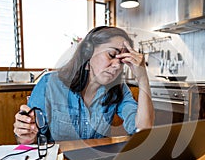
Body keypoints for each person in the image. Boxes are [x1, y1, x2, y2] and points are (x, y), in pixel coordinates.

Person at [14, 26, 154, 144]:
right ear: (87, 54)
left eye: (122, 61)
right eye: (111, 55)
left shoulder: (119, 89)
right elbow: (28, 141)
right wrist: (26, 135)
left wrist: (142, 78)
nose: (117, 65)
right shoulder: (49, 84)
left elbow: (142, 129)